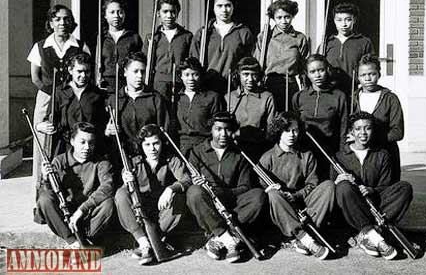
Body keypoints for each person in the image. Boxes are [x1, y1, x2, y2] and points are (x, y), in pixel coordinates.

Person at [28, 4, 90, 197]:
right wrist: (50, 93)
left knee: (70, 143)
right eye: (57, 19)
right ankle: (41, 199)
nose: (62, 23)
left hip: (73, 98)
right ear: (51, 23)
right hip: (47, 99)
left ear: (72, 23)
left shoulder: (80, 46)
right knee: (44, 145)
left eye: (66, 19)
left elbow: (87, 73)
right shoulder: (40, 47)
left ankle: (71, 194)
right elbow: (35, 78)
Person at [186, 112, 266, 262]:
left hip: (233, 204)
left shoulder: (240, 154)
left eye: (227, 129)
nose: (223, 134)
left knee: (258, 195)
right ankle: (229, 239)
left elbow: (245, 186)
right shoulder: (197, 152)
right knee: (194, 192)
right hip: (208, 206)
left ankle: (218, 239)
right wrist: (198, 185)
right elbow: (190, 182)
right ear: (211, 130)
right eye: (218, 129)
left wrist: (224, 193)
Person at [334, 112, 413, 260]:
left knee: (404, 188)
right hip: (352, 208)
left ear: (373, 130)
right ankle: (372, 234)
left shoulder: (382, 155)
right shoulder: (340, 157)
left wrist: (371, 190)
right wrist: (339, 181)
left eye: (367, 128)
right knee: (343, 187)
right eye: (358, 129)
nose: (363, 133)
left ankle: (367, 234)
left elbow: (386, 185)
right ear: (351, 132)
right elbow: (334, 189)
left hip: (375, 203)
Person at [258, 112, 334, 260]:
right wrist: (280, 194)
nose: (292, 134)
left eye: (295, 130)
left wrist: (296, 195)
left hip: (303, 202)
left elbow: (313, 183)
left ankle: (306, 235)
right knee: (273, 194)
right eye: (287, 130)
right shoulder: (267, 158)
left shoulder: (306, 155)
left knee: (328, 186)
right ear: (278, 131)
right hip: (280, 208)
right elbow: (263, 190)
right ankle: (303, 237)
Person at [115, 124, 191, 265]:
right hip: (142, 210)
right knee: (121, 193)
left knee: (179, 196)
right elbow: (125, 186)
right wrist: (126, 180)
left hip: (163, 209)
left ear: (162, 142)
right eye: (147, 144)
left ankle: (155, 241)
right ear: (141, 145)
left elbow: (186, 179)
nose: (152, 149)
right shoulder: (134, 162)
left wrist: (171, 189)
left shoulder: (171, 159)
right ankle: (144, 242)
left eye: (156, 143)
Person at [35, 122, 115, 248]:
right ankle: (73, 242)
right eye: (82, 142)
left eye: (91, 142)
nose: (87, 147)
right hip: (65, 214)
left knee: (108, 203)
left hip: (88, 213)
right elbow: (48, 193)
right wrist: (45, 178)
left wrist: (82, 210)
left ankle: (87, 240)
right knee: (44, 199)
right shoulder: (59, 161)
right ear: (72, 141)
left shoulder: (102, 162)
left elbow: (107, 187)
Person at [36, 53, 108, 156]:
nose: (83, 75)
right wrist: (41, 126)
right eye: (79, 71)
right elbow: (50, 119)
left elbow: (103, 124)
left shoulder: (97, 94)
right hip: (65, 149)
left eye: (87, 72)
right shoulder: (59, 92)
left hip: (89, 148)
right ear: (70, 70)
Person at [292, 54, 348, 181]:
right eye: (312, 71)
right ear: (306, 73)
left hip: (329, 151)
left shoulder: (339, 96)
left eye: (321, 70)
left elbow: (344, 126)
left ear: (327, 70)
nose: (317, 75)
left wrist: (342, 153)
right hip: (305, 152)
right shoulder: (299, 97)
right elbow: (295, 125)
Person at [105, 52, 170, 158]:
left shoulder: (155, 98)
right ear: (125, 72)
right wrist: (108, 132)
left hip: (149, 157)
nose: (139, 76)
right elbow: (104, 135)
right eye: (135, 71)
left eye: (142, 72)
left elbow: (164, 131)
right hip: (122, 157)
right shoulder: (114, 100)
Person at [190, 0, 254, 95]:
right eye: (219, 6)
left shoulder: (243, 32)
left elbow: (248, 63)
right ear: (213, 7)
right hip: (206, 89)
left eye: (228, 5)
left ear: (233, 7)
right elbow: (193, 62)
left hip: (233, 90)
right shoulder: (203, 33)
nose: (224, 10)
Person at [353, 54, 404, 181]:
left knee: (387, 190)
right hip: (361, 154)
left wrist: (373, 138)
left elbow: (398, 132)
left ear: (379, 74)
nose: (368, 78)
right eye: (363, 75)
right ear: (357, 77)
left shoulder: (390, 98)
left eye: (372, 74)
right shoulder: (353, 99)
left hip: (385, 151)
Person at [254, 0, 309, 112]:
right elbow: (256, 63)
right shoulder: (264, 37)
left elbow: (304, 67)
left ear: (292, 16)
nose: (284, 21)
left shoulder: (300, 38)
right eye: (279, 17)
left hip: (290, 85)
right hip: (268, 85)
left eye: (287, 16)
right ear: (273, 18)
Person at [143, 0, 193, 99]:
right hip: (158, 85)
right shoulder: (152, 37)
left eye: (173, 11)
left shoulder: (187, 36)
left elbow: (191, 62)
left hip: (181, 84)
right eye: (165, 12)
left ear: (177, 13)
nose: (169, 15)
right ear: (158, 14)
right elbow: (145, 64)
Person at [226, 57, 275, 159]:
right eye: (245, 74)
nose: (250, 79)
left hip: (258, 150)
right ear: (238, 75)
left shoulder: (267, 97)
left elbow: (271, 130)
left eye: (254, 74)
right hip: (234, 151)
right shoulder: (229, 97)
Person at [323, 2, 375, 97]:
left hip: (354, 91)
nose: (344, 24)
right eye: (339, 20)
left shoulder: (364, 42)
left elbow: (370, 67)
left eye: (348, 20)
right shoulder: (326, 42)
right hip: (330, 91)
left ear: (354, 20)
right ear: (334, 21)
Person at [175, 57, 224, 154]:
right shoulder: (176, 98)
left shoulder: (212, 97)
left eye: (195, 74)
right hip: (180, 146)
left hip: (204, 146)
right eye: (187, 75)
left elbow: (217, 126)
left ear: (200, 75)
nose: (191, 79)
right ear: (181, 76)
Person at [100, 0, 143, 94]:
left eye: (120, 12)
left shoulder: (133, 37)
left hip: (127, 83)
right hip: (105, 86)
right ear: (105, 15)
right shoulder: (100, 38)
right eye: (112, 12)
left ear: (124, 14)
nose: (116, 15)